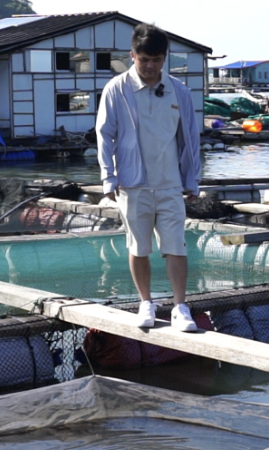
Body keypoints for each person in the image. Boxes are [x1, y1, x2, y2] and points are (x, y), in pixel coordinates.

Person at [96, 23, 202, 332]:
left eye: (157, 59)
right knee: (138, 246)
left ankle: (180, 307)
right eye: (145, 59)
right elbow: (105, 135)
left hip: (169, 183)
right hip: (132, 183)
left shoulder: (178, 91)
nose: (151, 66)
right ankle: (146, 302)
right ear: (133, 56)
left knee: (176, 246)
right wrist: (109, 177)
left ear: (165, 58)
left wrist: (191, 179)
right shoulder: (117, 89)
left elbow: (190, 139)